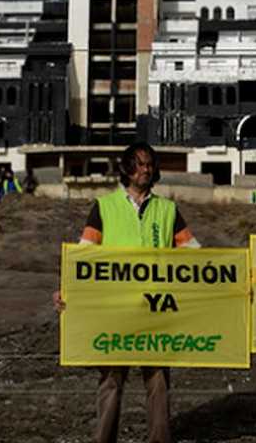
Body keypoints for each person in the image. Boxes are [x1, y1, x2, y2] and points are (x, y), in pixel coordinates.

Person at [53, 142, 199, 443]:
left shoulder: (168, 210)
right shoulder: (104, 207)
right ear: (125, 168)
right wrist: (67, 291)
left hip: (156, 311)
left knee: (158, 381)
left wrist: (232, 281)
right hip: (114, 311)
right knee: (110, 380)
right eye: (139, 163)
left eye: (149, 164)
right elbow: (84, 256)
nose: (145, 169)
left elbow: (194, 256)